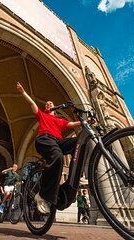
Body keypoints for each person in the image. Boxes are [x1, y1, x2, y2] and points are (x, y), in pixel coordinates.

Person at [16, 82, 81, 214]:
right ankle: (42, 195)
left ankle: (71, 181)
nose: (48, 104)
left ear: (55, 108)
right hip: (44, 140)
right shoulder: (42, 115)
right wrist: (23, 92)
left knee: (79, 142)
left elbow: (74, 124)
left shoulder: (60, 120)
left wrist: (88, 122)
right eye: (46, 104)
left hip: (57, 142)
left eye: (50, 103)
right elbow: (32, 104)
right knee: (57, 157)